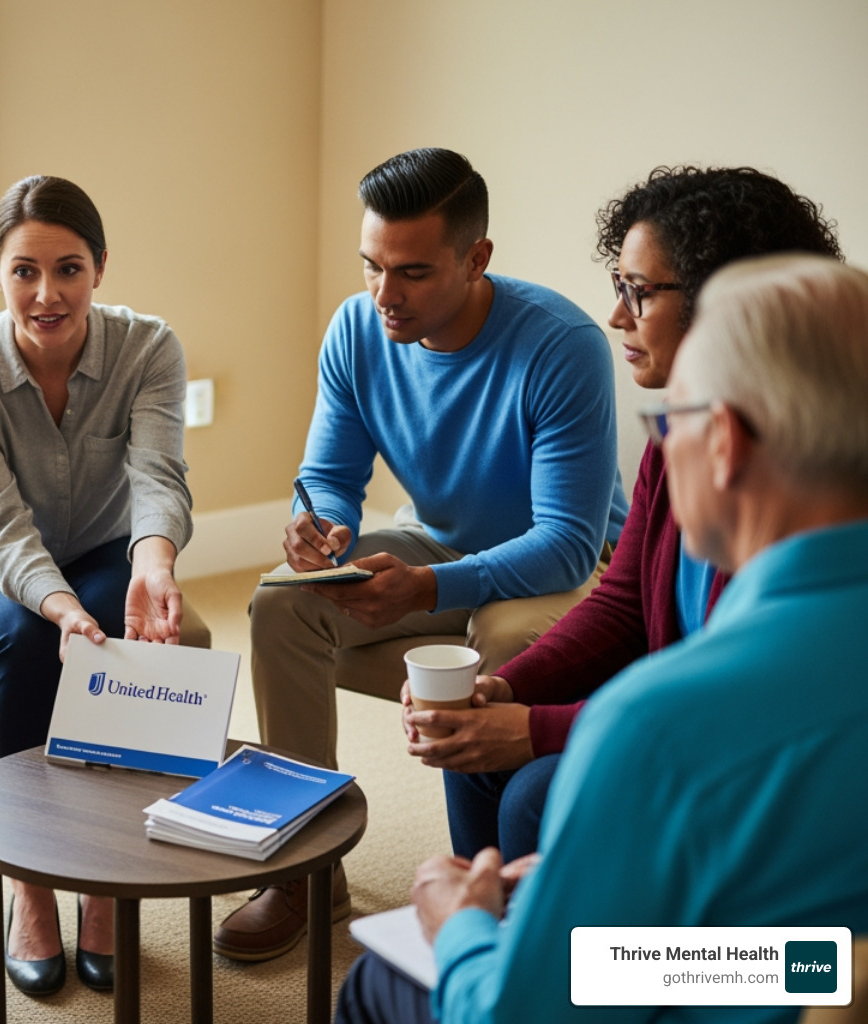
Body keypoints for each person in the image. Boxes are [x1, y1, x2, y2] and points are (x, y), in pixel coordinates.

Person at [338, 254, 868, 1024]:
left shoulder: (656, 726)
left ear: (723, 443)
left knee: (374, 984)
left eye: (669, 422)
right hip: (802, 980)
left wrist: (462, 929)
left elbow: (521, 1016)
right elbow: (824, 964)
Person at [218, 147, 627, 962]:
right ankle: (306, 869)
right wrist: (320, 526)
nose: (383, 295)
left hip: (569, 560)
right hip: (440, 535)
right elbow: (329, 477)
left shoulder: (561, 346)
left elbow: (568, 541)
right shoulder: (357, 328)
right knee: (279, 599)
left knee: (510, 640)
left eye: (409, 272)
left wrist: (427, 587)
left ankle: (494, 888)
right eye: (370, 265)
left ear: (476, 259)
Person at [407, 166, 843, 863]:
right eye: (619, 287)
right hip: (687, 716)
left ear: (723, 303)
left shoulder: (805, 482)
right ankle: (489, 941)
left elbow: (736, 704)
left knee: (538, 793)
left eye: (638, 292)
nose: (617, 316)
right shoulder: (676, 437)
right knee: (474, 746)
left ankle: (545, 964)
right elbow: (622, 607)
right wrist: (508, 688)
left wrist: (537, 729)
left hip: (747, 756)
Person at [0, 174, 193, 996]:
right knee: (35, 635)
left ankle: (103, 878)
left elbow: (158, 477)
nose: (47, 293)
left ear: (100, 268)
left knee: (120, 640)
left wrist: (155, 563)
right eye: (24, 270)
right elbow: (0, 526)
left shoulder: (150, 348)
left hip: (109, 547)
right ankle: (31, 887)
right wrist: (61, 604)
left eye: (68, 268)